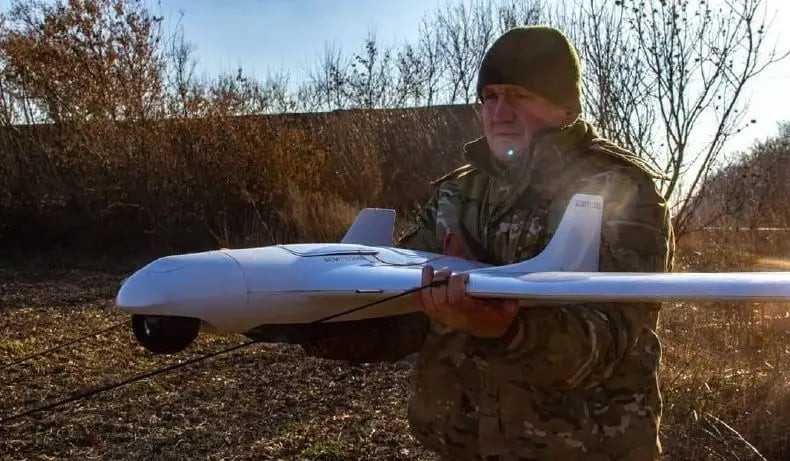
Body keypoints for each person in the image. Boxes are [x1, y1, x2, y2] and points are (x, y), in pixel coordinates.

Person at [396, 26, 674, 460]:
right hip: (464, 444)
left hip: (584, 450)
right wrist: (309, 318)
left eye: (519, 95)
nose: (499, 112)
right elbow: (403, 309)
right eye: (490, 96)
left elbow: (610, 336)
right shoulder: (457, 193)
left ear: (566, 107)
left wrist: (509, 330)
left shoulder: (619, 188)